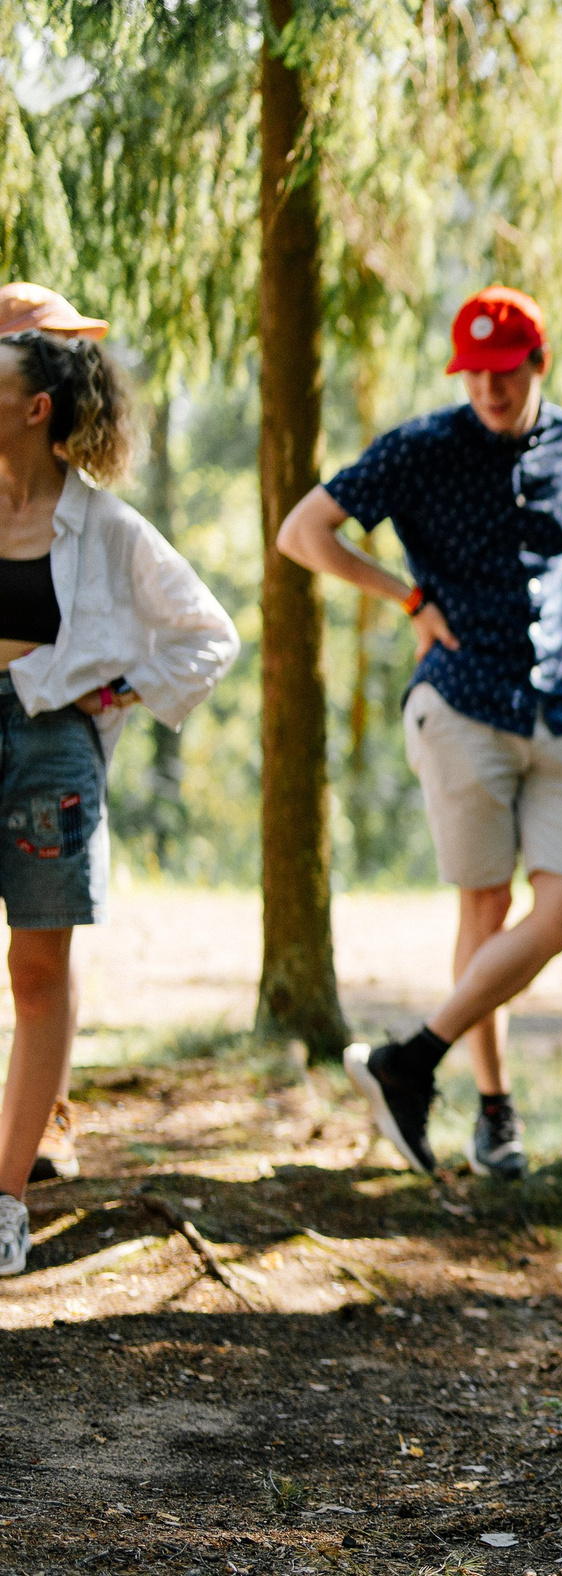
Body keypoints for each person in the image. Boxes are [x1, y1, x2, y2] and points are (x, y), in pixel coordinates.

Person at [278, 286, 562, 1181]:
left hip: (561, 706)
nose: (489, 387)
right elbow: (304, 532)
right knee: (483, 910)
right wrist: (405, 596)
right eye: (475, 372)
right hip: (460, 703)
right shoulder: (421, 448)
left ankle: (410, 1059)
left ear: (538, 363)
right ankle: (493, 1108)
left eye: (505, 370)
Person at [0, 329, 241, 1276]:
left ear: (36, 408)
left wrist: (115, 687)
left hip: (51, 745)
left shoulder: (105, 527)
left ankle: (7, 1197)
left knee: (37, 972)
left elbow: (206, 634)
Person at [0, 286, 111, 1187]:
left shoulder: (87, 498)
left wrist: (112, 686)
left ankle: (48, 1114)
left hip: (50, 745)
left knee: (41, 949)